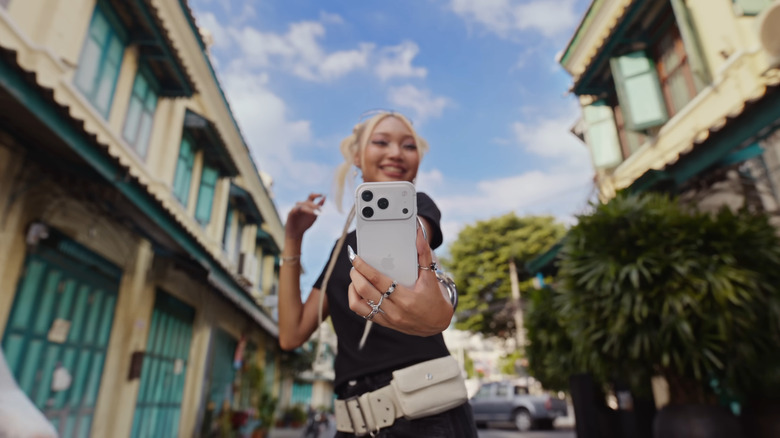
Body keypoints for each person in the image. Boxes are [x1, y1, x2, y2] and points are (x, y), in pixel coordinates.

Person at [279, 111, 477, 437]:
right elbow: (291, 335)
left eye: (408, 146)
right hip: (353, 424)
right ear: (357, 157)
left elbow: (416, 238)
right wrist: (292, 239)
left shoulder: (420, 208)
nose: (396, 153)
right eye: (381, 142)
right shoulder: (340, 249)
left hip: (428, 417)